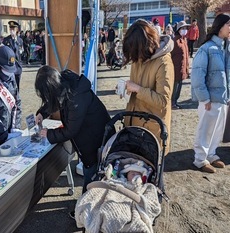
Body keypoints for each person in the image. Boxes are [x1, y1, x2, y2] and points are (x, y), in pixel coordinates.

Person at [35, 66, 111, 195]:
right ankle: (86, 203)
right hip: (90, 133)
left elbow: (70, 130)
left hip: (95, 137)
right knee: (91, 170)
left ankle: (86, 208)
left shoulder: (75, 99)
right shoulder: (63, 83)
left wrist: (49, 134)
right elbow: (54, 101)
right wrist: (42, 112)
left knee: (91, 172)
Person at [122, 19, 174, 154]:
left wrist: (137, 89)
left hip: (151, 131)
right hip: (133, 125)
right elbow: (135, 86)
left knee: (149, 169)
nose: (134, 57)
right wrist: (126, 89)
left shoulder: (164, 63)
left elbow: (163, 101)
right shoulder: (138, 58)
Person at [191, 13, 230, 173]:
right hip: (209, 99)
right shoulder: (206, 49)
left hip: (222, 97)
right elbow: (197, 76)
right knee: (205, 129)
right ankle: (200, 159)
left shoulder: (224, 48)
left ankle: (212, 154)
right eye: (229, 25)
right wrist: (204, 98)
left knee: (217, 129)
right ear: (220, 26)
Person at [75, 159, 161, 233]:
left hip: (128, 200)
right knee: (92, 202)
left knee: (122, 216)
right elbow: (109, 180)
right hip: (112, 190)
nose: (134, 175)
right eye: (132, 173)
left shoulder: (142, 186)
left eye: (137, 173)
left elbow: (150, 198)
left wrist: (138, 183)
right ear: (126, 174)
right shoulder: (118, 179)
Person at [171, 21, 190, 109]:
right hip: (175, 69)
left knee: (179, 87)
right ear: (178, 30)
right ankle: (172, 102)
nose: (185, 30)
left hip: (182, 69)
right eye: (183, 28)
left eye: (186, 28)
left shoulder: (184, 40)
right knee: (175, 87)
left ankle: (175, 101)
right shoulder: (175, 41)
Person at [3, 21, 23, 89]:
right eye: (10, 29)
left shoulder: (20, 40)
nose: (11, 31)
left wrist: (16, 41)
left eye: (13, 29)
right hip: (10, 66)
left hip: (18, 66)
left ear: (17, 29)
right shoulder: (6, 40)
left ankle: (17, 97)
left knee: (18, 84)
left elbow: (21, 51)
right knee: (11, 84)